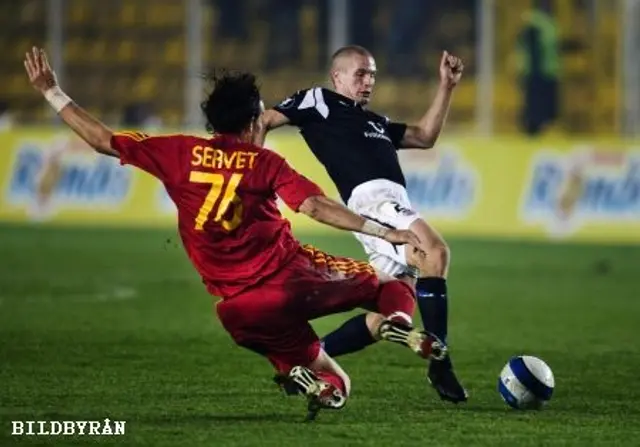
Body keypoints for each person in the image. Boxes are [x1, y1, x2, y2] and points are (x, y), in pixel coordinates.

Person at [23, 47, 447, 421]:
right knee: (393, 286)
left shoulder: (176, 152)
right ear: (250, 121)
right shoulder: (264, 164)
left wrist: (51, 91)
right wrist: (382, 231)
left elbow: (102, 140)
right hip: (291, 279)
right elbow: (314, 206)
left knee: (336, 383)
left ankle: (299, 374)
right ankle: (395, 324)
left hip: (238, 310)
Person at [257, 45, 468, 403]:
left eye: (372, 74)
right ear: (337, 76)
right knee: (435, 252)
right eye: (360, 73)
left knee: (390, 317)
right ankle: (440, 365)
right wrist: (252, 176)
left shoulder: (375, 121)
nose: (368, 81)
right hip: (374, 205)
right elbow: (264, 120)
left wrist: (446, 86)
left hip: (396, 205)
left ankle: (310, 359)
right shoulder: (318, 100)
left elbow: (425, 136)